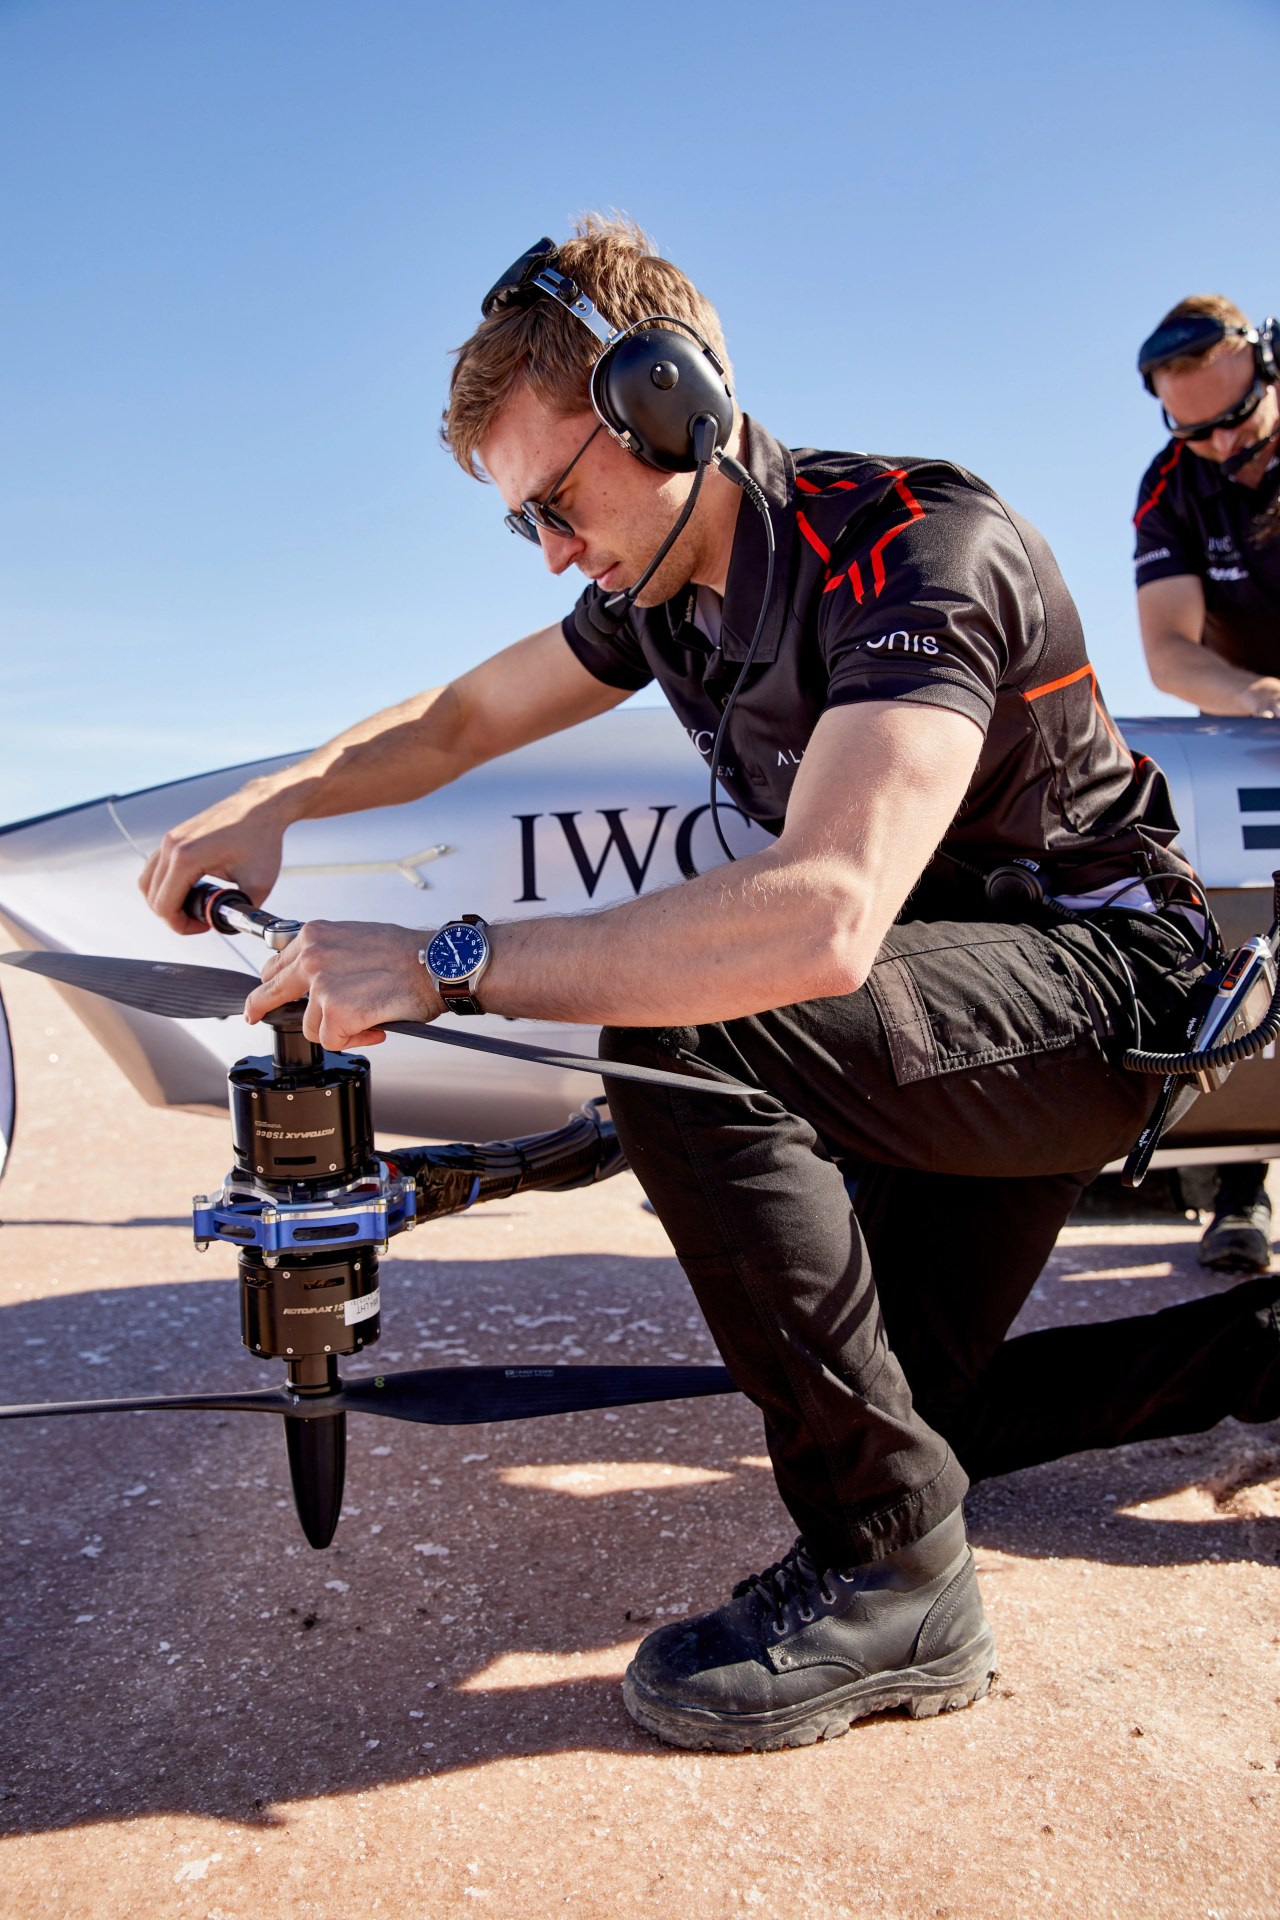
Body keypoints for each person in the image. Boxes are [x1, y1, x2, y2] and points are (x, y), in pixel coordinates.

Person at [140, 220, 1280, 1754]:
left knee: (696, 1029)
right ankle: (1256, 1352)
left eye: (558, 501)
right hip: (937, 1012)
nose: (551, 548)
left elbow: (821, 918)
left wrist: (447, 963)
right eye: (520, 525)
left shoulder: (915, 547)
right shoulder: (665, 589)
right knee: (917, 1415)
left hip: (1098, 994)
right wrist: (280, 800)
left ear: (671, 404)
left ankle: (895, 1584)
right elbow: (467, 714)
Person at [1134, 295, 1280, 1276]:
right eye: (1194, 431)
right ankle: (1239, 1190)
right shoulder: (1168, 485)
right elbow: (1165, 651)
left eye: (1235, 420)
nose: (1221, 446)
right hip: (1246, 727)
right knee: (1239, 963)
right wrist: (1255, 696)